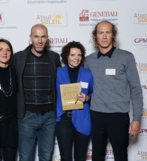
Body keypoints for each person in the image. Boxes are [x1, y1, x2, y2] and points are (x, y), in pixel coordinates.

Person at [85, 20, 143, 161]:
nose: (104, 36)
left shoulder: (126, 57)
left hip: (118, 116)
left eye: (108, 32)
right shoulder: (89, 60)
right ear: (96, 36)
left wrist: (136, 119)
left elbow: (136, 89)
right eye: (101, 32)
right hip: (96, 115)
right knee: (97, 156)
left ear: (113, 35)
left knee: (121, 156)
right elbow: (85, 88)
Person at [13, 24, 61, 161]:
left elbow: (61, 83)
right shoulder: (19, 58)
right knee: (25, 157)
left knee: (46, 157)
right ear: (30, 38)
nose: (39, 41)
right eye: (36, 36)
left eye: (43, 36)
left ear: (47, 38)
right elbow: (8, 81)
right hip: (26, 116)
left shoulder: (54, 57)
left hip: (49, 117)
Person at [56, 41, 93, 161]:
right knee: (65, 157)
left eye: (79, 55)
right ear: (66, 56)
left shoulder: (88, 74)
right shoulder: (58, 72)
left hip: (83, 119)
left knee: (80, 157)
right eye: (72, 55)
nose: (76, 58)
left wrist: (87, 98)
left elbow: (95, 94)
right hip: (64, 119)